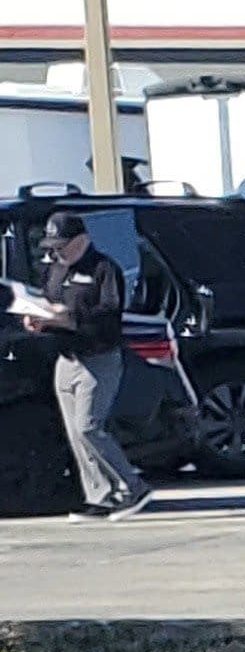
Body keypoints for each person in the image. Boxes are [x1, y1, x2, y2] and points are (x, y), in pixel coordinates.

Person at [15, 209, 150, 518]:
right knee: (75, 433)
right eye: (52, 246)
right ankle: (101, 496)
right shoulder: (55, 269)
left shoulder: (104, 269)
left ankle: (133, 487)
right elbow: (49, 301)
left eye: (62, 245)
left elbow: (109, 313)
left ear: (82, 240)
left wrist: (69, 318)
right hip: (67, 358)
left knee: (89, 426)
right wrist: (38, 318)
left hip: (98, 358)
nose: (57, 252)